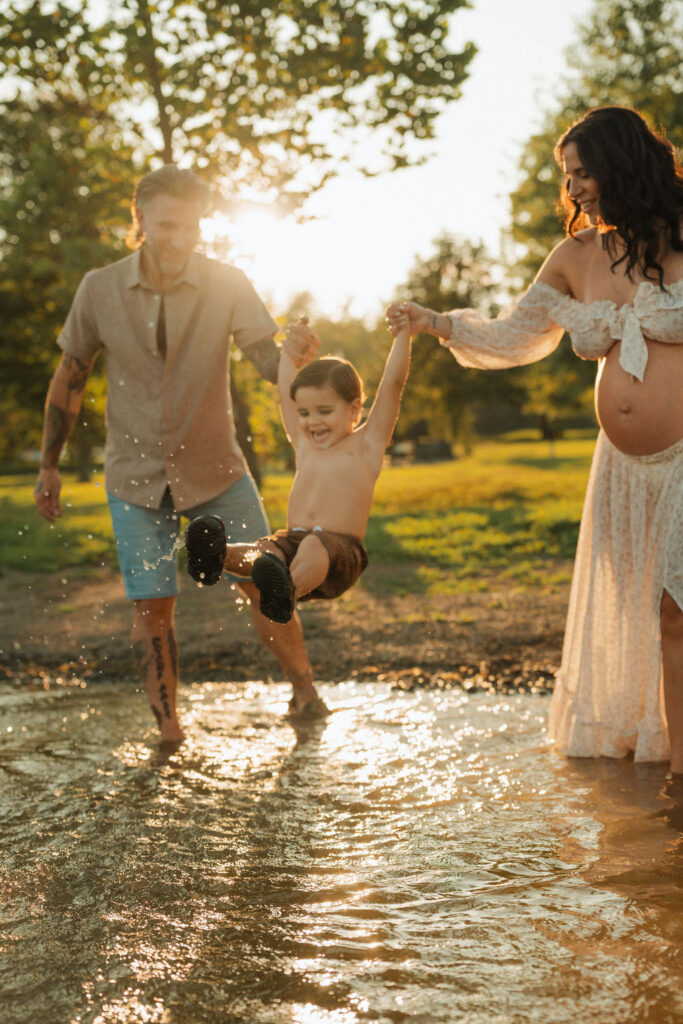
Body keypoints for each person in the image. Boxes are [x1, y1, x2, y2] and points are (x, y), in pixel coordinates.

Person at [386, 106, 683, 773]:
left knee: (676, 612)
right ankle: (665, 765)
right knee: (643, 616)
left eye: (582, 173)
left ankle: (680, 781)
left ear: (621, 164)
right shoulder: (575, 256)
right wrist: (435, 322)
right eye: (567, 177)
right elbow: (513, 335)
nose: (573, 190)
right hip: (620, 470)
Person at [34, 164, 324, 743]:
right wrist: (48, 464)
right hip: (134, 478)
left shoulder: (227, 282)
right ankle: (169, 731)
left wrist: (297, 356)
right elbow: (71, 375)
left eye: (190, 227)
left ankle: (305, 691)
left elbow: (267, 362)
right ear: (140, 219)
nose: (180, 239)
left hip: (218, 468)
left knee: (264, 579)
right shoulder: (98, 289)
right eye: (167, 226)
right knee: (152, 605)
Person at [183, 325, 413, 666]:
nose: (311, 422)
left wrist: (404, 333)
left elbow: (393, 385)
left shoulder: (367, 445)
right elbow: (284, 392)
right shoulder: (305, 445)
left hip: (339, 555)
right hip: (292, 542)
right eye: (304, 413)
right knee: (266, 550)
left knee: (312, 545)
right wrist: (289, 354)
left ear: (354, 410)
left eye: (324, 411)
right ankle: (216, 556)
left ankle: (285, 591)